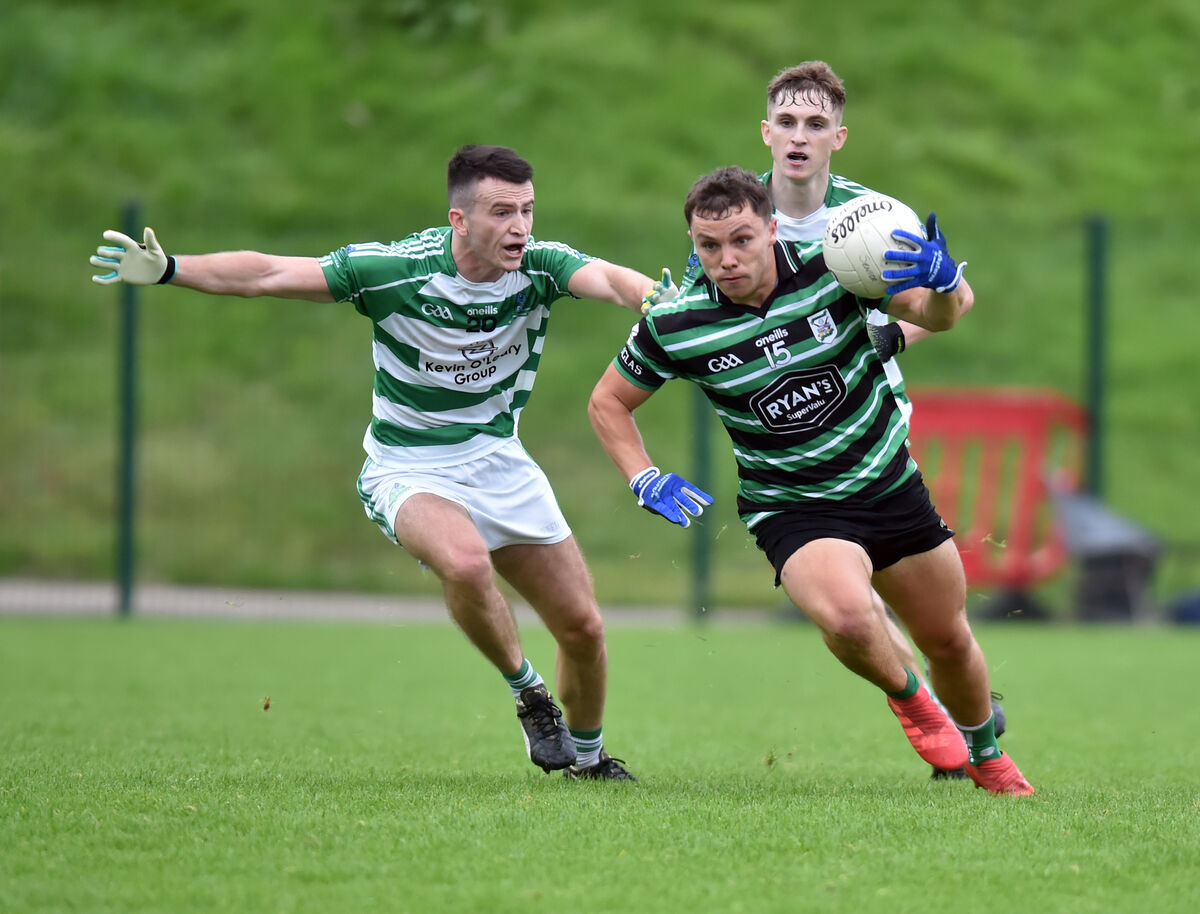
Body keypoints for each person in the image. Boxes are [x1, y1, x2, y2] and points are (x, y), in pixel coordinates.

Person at [90, 144, 665, 781]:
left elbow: (612, 281)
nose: (521, 228)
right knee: (465, 561)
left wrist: (653, 298)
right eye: (502, 212)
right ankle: (529, 694)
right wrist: (171, 268)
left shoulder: (541, 267)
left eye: (528, 210)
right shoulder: (391, 270)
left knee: (582, 628)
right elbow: (268, 274)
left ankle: (588, 764)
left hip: (499, 459)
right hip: (409, 467)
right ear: (459, 220)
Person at [588, 165, 1033, 795]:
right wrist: (643, 477)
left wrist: (943, 283)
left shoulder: (838, 268)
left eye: (742, 239)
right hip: (792, 508)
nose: (726, 259)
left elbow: (946, 315)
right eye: (708, 247)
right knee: (849, 617)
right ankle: (913, 702)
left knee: (949, 641)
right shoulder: (675, 322)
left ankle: (987, 755)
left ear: (772, 228)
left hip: (887, 485)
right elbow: (608, 402)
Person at [683, 60, 1003, 779]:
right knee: (848, 603)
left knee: (922, 610)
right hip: (785, 450)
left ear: (839, 137)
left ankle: (951, 707)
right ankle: (931, 706)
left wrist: (894, 333)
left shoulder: (868, 218)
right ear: (766, 132)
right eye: (788, 123)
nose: (800, 136)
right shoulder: (735, 222)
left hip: (870, 423)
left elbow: (953, 304)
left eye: (816, 124)